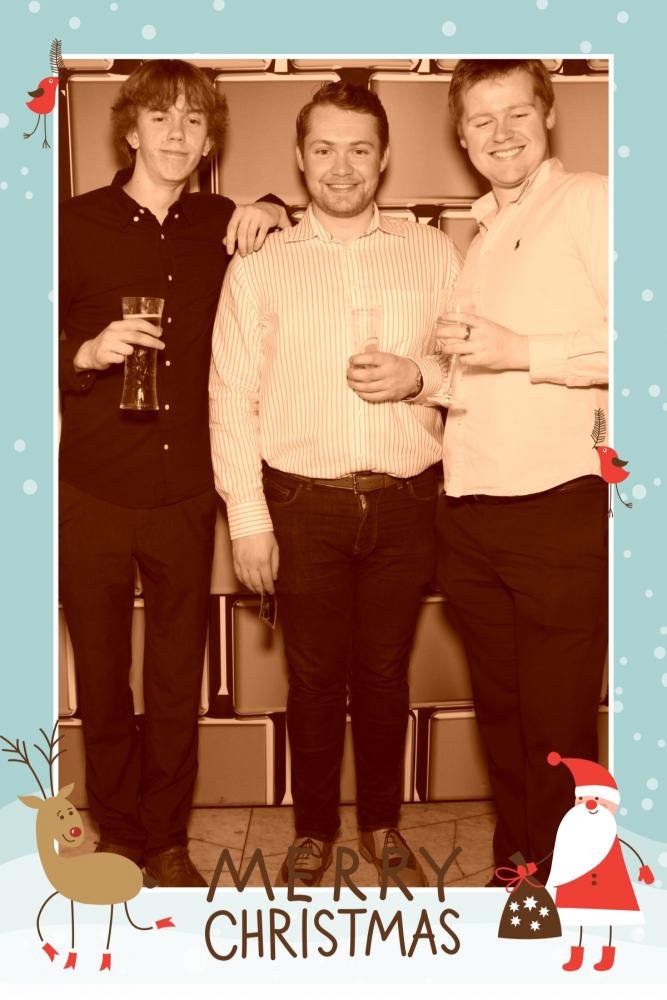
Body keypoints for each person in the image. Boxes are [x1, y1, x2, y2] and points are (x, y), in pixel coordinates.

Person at [209, 81, 461, 887]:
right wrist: (248, 518)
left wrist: (419, 377)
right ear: (299, 157)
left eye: (359, 149)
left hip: (405, 502)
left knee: (384, 675)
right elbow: (230, 395)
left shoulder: (433, 251)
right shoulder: (260, 262)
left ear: (383, 158)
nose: (341, 167)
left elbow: (467, 367)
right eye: (323, 149)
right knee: (314, 679)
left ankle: (382, 824)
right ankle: (314, 829)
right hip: (299, 504)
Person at [59, 59, 289, 887]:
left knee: (174, 676)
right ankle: (119, 835)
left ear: (208, 140)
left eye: (194, 120)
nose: (177, 133)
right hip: (91, 489)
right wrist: (83, 352)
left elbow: (297, 233)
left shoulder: (224, 224)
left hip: (187, 490)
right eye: (160, 117)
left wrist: (274, 206)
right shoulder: (71, 224)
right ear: (131, 130)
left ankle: (165, 839)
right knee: (101, 677)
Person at [435, 59, 609, 885]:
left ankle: (577, 885)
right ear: (461, 135)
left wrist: (520, 351)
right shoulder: (478, 234)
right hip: (471, 510)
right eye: (481, 119)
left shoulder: (588, 201)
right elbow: (476, 375)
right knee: (502, 714)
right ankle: (521, 865)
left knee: (557, 721)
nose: (499, 133)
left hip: (555, 503)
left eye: (515, 113)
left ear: (547, 117)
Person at [545, 752, 654, 973]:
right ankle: (577, 955)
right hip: (577, 884)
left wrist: (643, 868)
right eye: (582, 799)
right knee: (579, 920)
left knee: (610, 920)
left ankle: (608, 955)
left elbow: (629, 846)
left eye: (597, 798)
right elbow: (557, 851)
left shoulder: (611, 833)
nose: (589, 804)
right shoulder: (571, 834)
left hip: (610, 884)